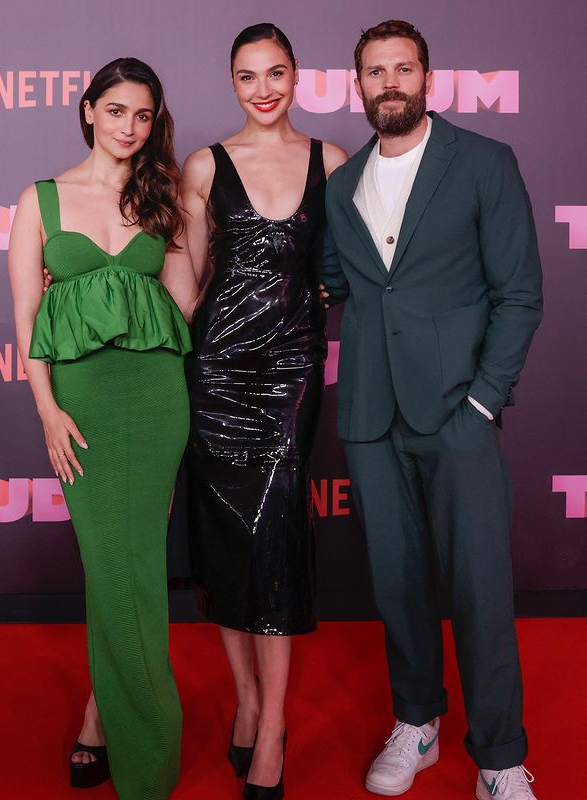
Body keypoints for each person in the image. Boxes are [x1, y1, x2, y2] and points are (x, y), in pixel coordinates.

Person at [320, 20, 543, 800]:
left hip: (457, 414)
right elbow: (331, 283)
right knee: (396, 584)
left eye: (403, 68)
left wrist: (482, 401)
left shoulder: (483, 161)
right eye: (375, 71)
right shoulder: (341, 186)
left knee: (481, 588)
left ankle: (500, 758)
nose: (390, 82)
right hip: (371, 417)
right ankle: (416, 722)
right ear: (358, 86)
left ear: (427, 78)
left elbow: (519, 294)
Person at [8, 57, 198, 799]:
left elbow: (182, 303)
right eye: (116, 110)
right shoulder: (41, 200)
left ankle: (119, 732)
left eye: (143, 115)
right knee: (110, 566)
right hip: (80, 405)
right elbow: (27, 317)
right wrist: (48, 410)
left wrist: (126, 302)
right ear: (88, 110)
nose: (130, 127)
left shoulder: (163, 197)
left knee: (137, 568)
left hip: (155, 399)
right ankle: (128, 730)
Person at [180, 22, 346, 800]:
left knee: (275, 536)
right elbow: (185, 283)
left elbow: (360, 259)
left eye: (275, 73)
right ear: (232, 83)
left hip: (290, 372)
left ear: (296, 75)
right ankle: (246, 700)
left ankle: (274, 725)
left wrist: (333, 283)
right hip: (215, 369)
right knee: (225, 539)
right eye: (248, 76)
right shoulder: (205, 165)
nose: (263, 89)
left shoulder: (331, 162)